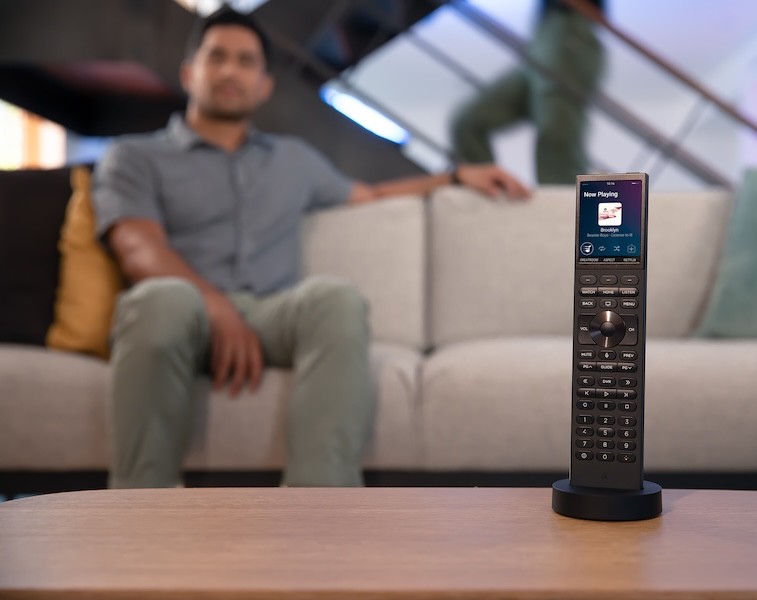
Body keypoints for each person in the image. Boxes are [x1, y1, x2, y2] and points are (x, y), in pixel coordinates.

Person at [93, 7, 529, 489]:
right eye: (217, 57)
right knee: (162, 299)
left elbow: (371, 195)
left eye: (246, 61)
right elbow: (138, 247)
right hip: (181, 312)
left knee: (335, 299)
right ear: (189, 72)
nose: (231, 70)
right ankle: (138, 509)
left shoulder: (294, 160)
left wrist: (453, 176)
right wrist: (215, 307)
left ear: (264, 84)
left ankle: (319, 512)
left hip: (269, 312)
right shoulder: (134, 157)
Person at [450, 0, 605, 184]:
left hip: (571, 27)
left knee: (556, 129)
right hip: (543, 34)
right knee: (468, 122)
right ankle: (488, 189)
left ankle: (565, 207)